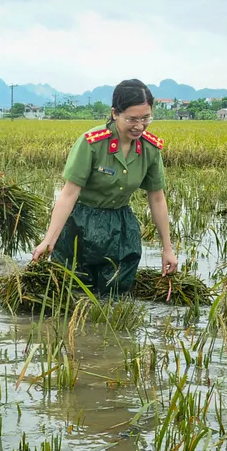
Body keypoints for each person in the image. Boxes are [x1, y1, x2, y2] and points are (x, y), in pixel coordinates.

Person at [31, 79, 178, 296]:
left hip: (121, 226)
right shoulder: (92, 143)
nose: (139, 126)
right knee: (72, 293)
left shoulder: (150, 148)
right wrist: (48, 240)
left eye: (146, 118)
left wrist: (167, 249)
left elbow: (156, 198)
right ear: (115, 113)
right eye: (132, 119)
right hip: (80, 224)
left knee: (115, 295)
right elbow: (69, 194)